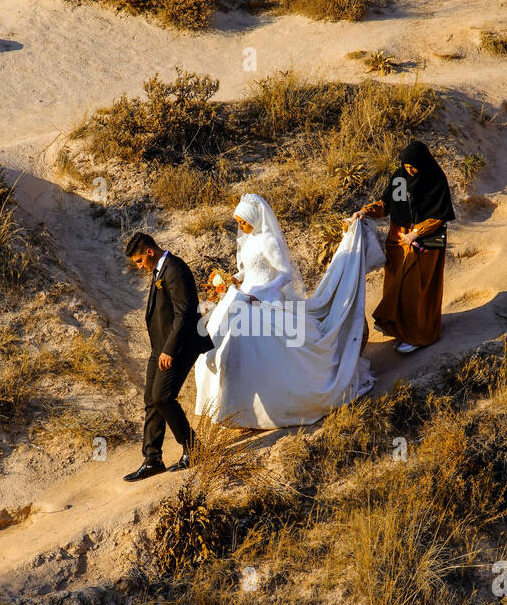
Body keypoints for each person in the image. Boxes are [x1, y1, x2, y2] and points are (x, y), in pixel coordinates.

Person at [194, 193, 381, 429]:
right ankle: (232, 406)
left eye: (244, 222)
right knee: (223, 342)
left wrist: (262, 292)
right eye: (239, 222)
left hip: (265, 299)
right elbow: (246, 270)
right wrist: (233, 278)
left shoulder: (269, 241)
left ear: (255, 218)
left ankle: (267, 407)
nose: (241, 227)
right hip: (242, 298)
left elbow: (284, 274)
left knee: (266, 349)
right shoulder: (248, 240)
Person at [123, 232, 212, 482]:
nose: (139, 266)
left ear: (149, 252)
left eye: (139, 261)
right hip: (159, 347)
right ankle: (153, 460)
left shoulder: (175, 268)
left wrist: (169, 350)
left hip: (178, 346)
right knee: (151, 399)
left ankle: (193, 449)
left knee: (163, 396)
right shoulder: (159, 269)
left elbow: (184, 314)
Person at [351, 140, 455, 353]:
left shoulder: (435, 179)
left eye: (414, 166)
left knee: (416, 290)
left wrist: (416, 233)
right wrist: (365, 211)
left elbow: (438, 216)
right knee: (396, 288)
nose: (410, 170)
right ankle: (402, 332)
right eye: (407, 166)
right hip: (398, 240)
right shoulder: (400, 177)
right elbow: (386, 204)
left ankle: (419, 336)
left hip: (425, 242)